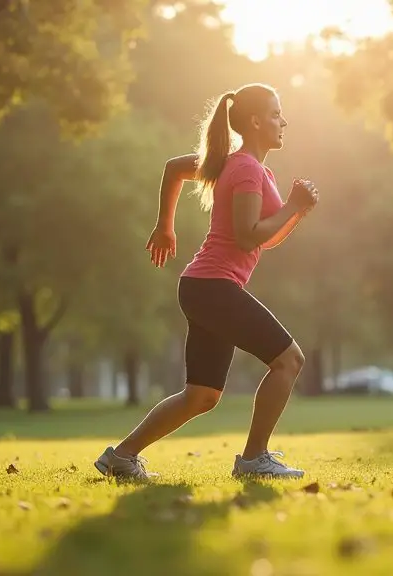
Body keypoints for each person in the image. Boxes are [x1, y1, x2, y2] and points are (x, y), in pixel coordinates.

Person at [94, 83, 319, 481]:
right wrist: (292, 207)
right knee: (289, 360)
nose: (283, 121)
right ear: (254, 121)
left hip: (202, 288)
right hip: (214, 287)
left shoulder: (238, 165)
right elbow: (249, 234)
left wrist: (295, 212)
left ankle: (121, 457)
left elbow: (265, 237)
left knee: (202, 395)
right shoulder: (246, 168)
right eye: (274, 114)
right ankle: (254, 459)